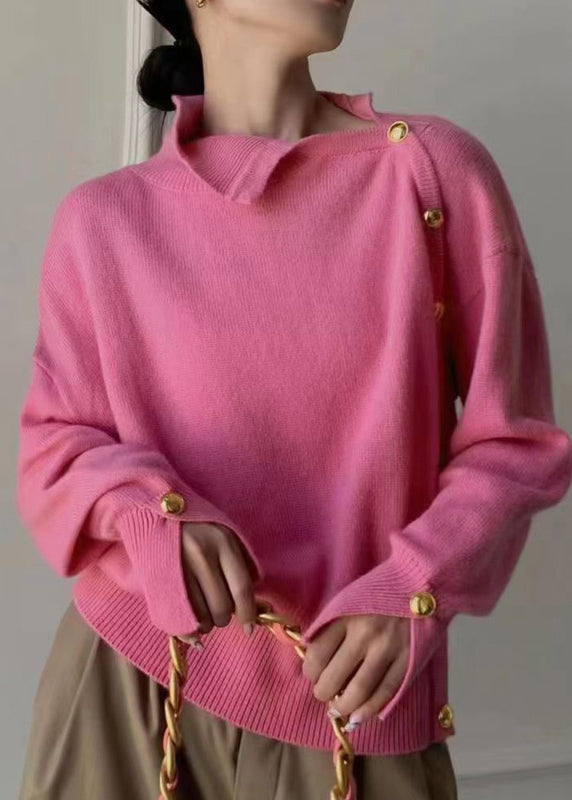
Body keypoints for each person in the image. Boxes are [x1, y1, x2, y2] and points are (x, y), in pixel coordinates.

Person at [16, 1, 572, 799]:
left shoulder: (431, 174)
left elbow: (515, 446)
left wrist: (414, 587)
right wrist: (150, 511)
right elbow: (54, 449)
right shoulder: (103, 220)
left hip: (354, 710)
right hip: (127, 690)